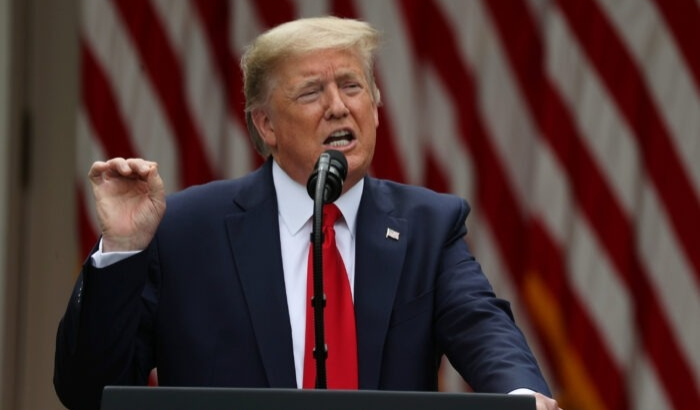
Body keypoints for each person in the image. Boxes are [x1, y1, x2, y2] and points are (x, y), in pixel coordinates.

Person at [54, 16, 560, 410]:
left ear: (377, 108)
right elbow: (88, 391)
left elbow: (482, 327)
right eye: (312, 92)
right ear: (266, 124)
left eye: (353, 86)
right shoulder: (184, 231)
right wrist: (122, 250)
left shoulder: (428, 226)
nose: (338, 107)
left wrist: (519, 396)